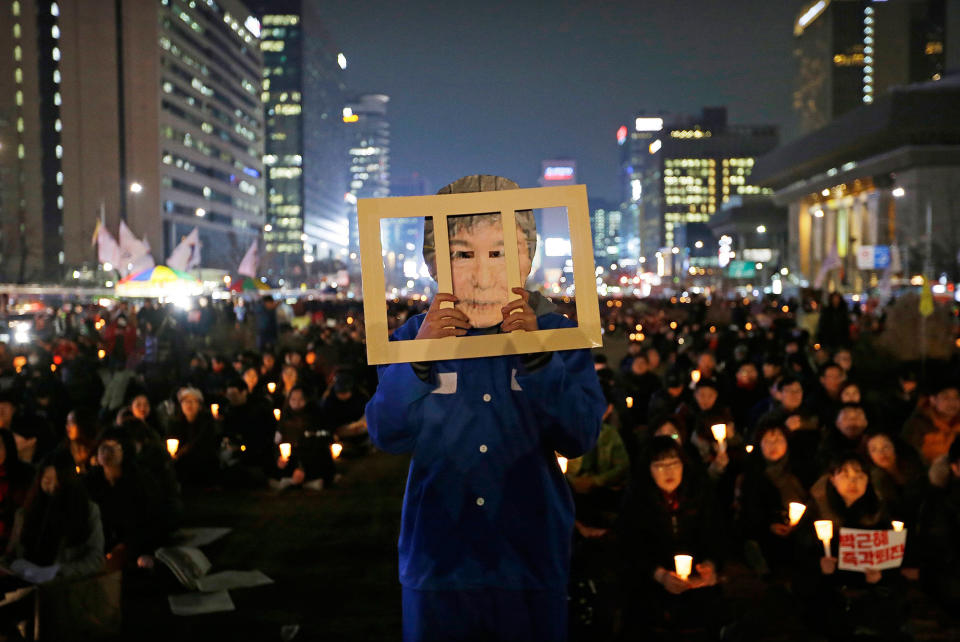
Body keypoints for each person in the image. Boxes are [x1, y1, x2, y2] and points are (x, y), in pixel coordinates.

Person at [366, 174, 605, 642]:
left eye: (499, 253)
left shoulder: (556, 332)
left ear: (526, 257)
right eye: (462, 253)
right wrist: (419, 359)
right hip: (439, 560)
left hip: (529, 557)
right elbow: (386, 431)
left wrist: (539, 359)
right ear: (435, 262)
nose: (481, 274)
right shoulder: (414, 336)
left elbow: (580, 435)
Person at [618, 436, 724, 638]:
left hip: (696, 580)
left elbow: (715, 535)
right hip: (650, 582)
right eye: (660, 465)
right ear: (648, 469)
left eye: (674, 463)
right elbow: (630, 547)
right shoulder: (636, 500)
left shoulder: (699, 494)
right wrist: (659, 574)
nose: (669, 471)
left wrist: (711, 566)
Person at [6, 454, 105, 582]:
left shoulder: (87, 510)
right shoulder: (26, 512)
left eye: (59, 480)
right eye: (47, 480)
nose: (52, 486)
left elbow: (95, 559)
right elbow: (12, 553)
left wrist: (59, 571)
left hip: (63, 587)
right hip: (25, 583)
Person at [902, 380, 960, 465]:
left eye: (957, 397)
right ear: (933, 400)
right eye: (946, 397)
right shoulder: (917, 425)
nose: (952, 402)